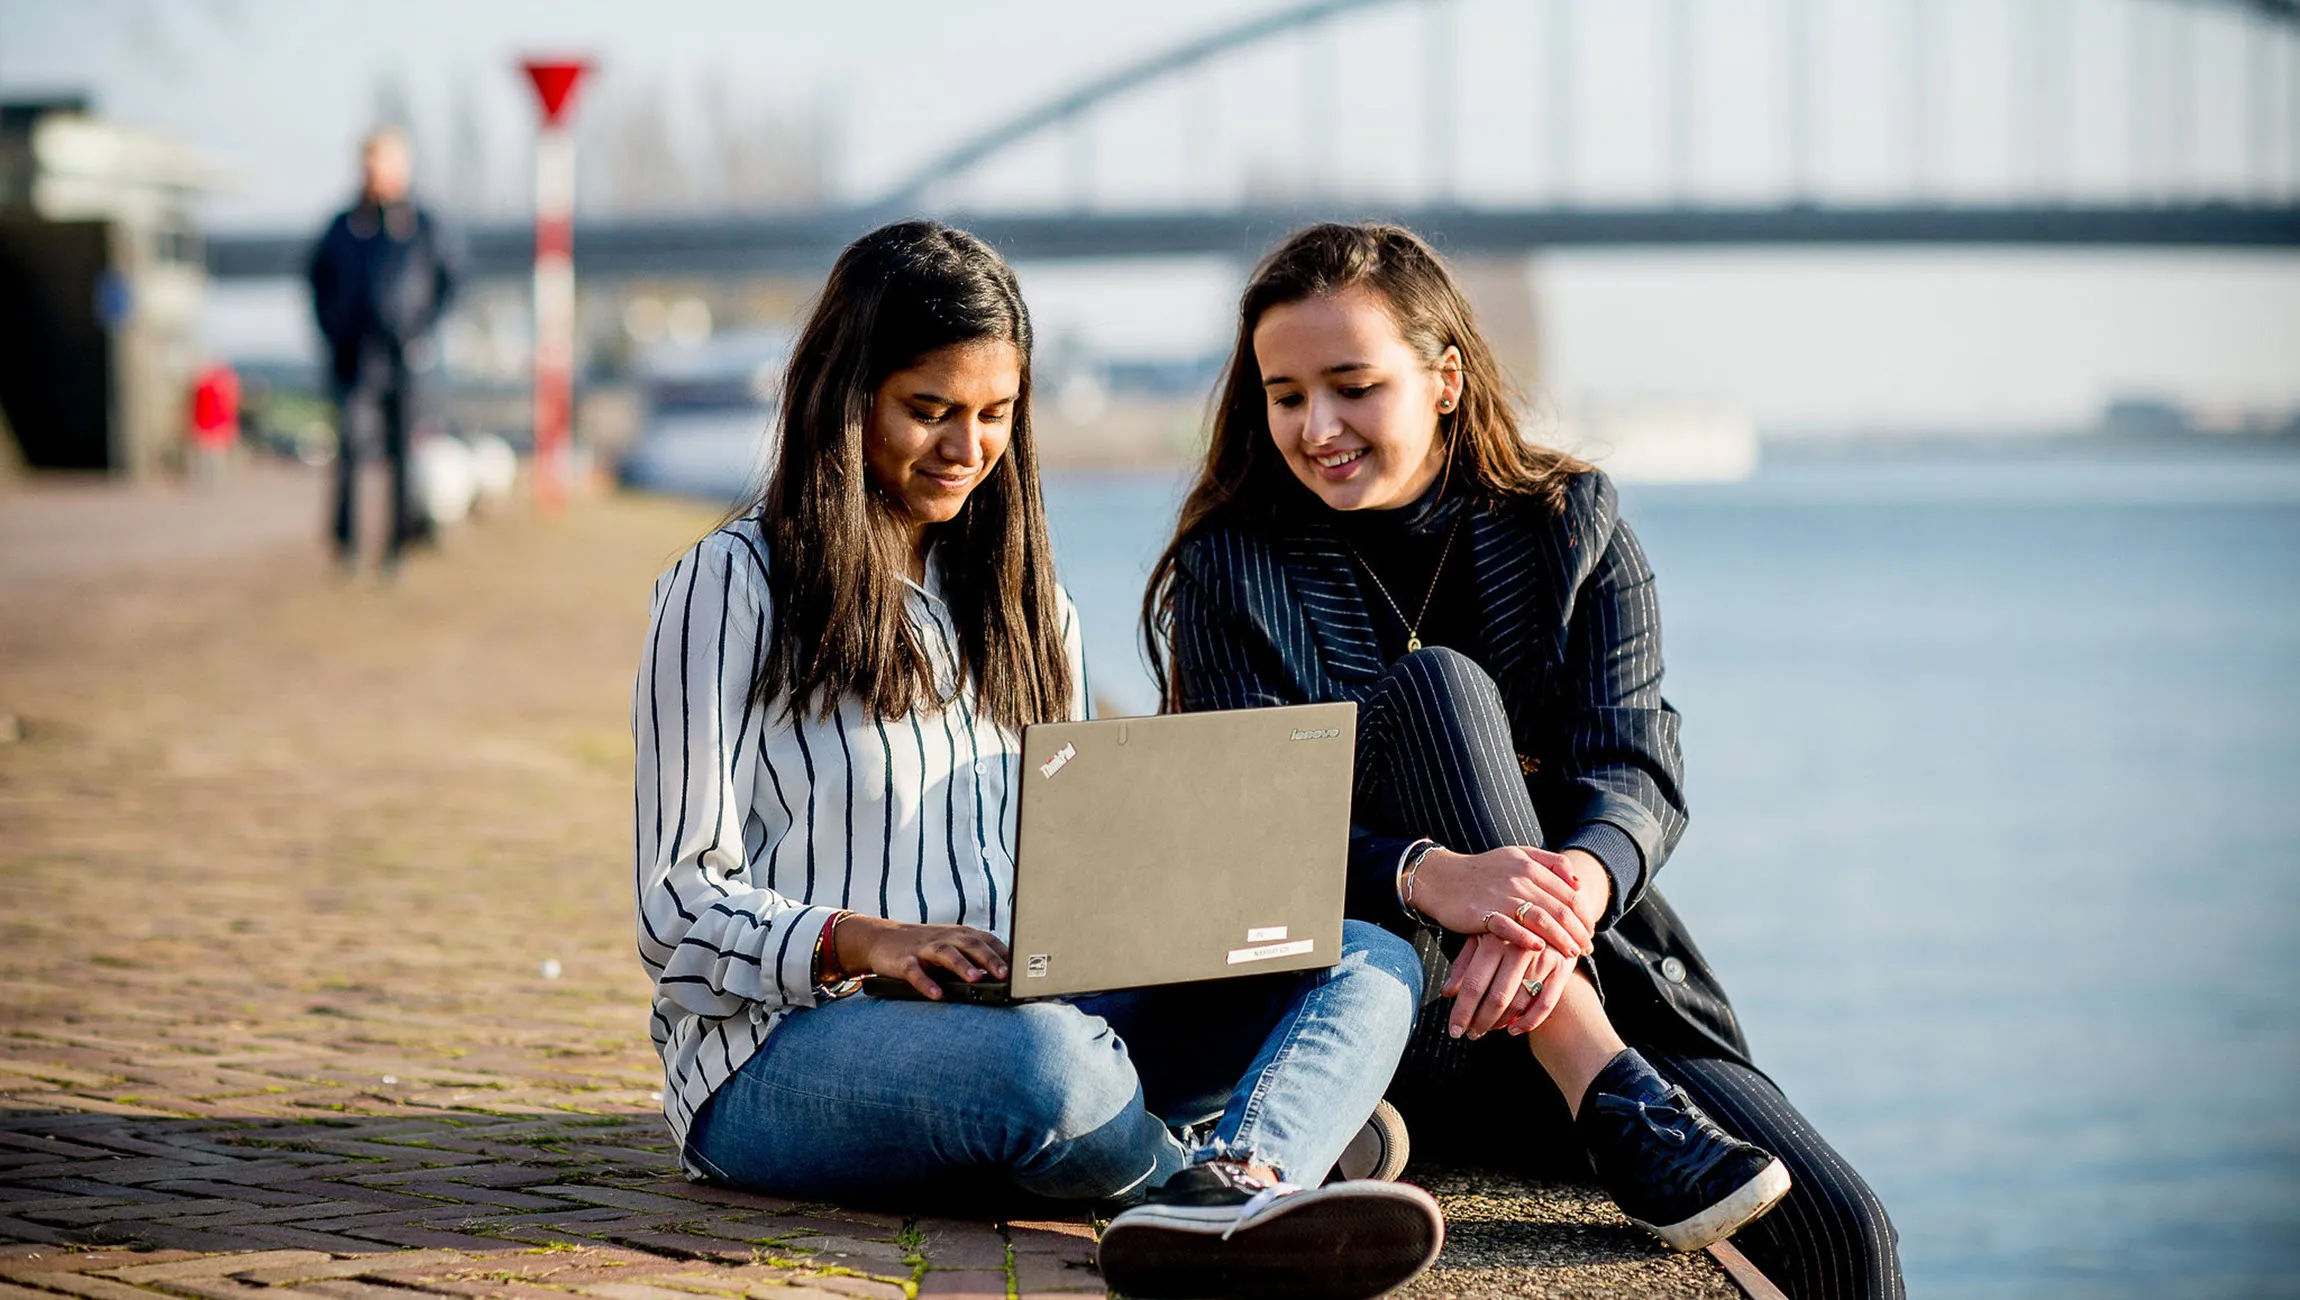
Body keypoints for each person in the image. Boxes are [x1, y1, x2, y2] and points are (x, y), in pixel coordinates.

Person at [631, 221, 1441, 1300]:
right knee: (1050, 1073)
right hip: (784, 1051)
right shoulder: (729, 586)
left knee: (1361, 959)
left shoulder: (1027, 610)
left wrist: (1174, 901)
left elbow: (1072, 868)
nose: (966, 447)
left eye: (994, 414)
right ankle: (1223, 1177)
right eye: (928, 411)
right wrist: (862, 941)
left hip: (1026, 1005)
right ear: (846, 396)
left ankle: (1236, 1176)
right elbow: (671, 907)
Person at [1144, 223, 1904, 1300]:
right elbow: (1240, 833)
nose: (1316, 428)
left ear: (1443, 378)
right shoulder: (1233, 567)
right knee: (1437, 687)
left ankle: (1594, 1065)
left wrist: (1575, 891)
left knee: (1846, 1234)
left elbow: (1633, 768)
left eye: (1352, 387)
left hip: (1589, 969)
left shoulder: (1567, 522)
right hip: (1400, 1017)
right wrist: (1426, 873)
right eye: (1284, 395)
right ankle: (1597, 1079)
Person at [307, 125, 459, 576]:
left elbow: (451, 280)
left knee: (402, 453)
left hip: (403, 356)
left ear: (402, 167)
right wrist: (334, 330)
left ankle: (398, 547)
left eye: (383, 163)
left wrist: (422, 331)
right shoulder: (343, 225)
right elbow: (317, 280)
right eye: (368, 163)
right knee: (351, 448)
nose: (375, 173)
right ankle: (347, 548)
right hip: (355, 356)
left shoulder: (424, 226)